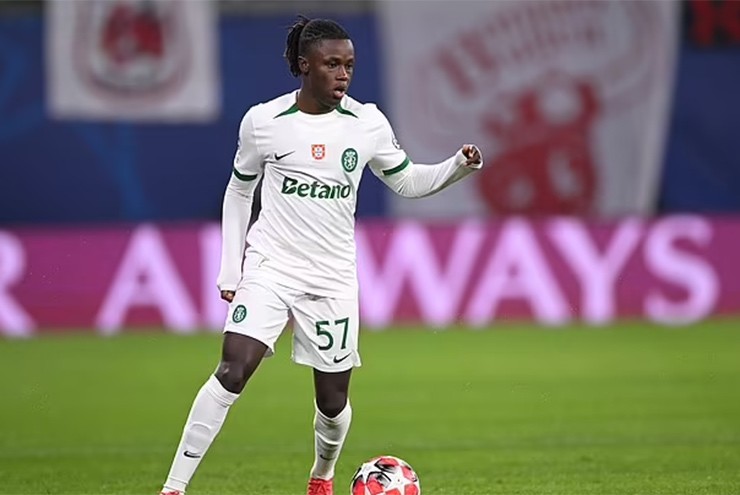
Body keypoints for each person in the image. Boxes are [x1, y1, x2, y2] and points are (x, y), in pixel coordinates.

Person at [159, 15, 483, 495]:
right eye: (332, 64)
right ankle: (174, 488)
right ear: (304, 65)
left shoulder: (367, 123)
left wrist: (457, 166)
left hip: (332, 277)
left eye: (349, 65)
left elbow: (407, 182)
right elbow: (239, 191)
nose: (343, 74)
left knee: (332, 401)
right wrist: (232, 268)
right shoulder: (264, 123)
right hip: (271, 266)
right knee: (232, 368)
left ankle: (322, 476)